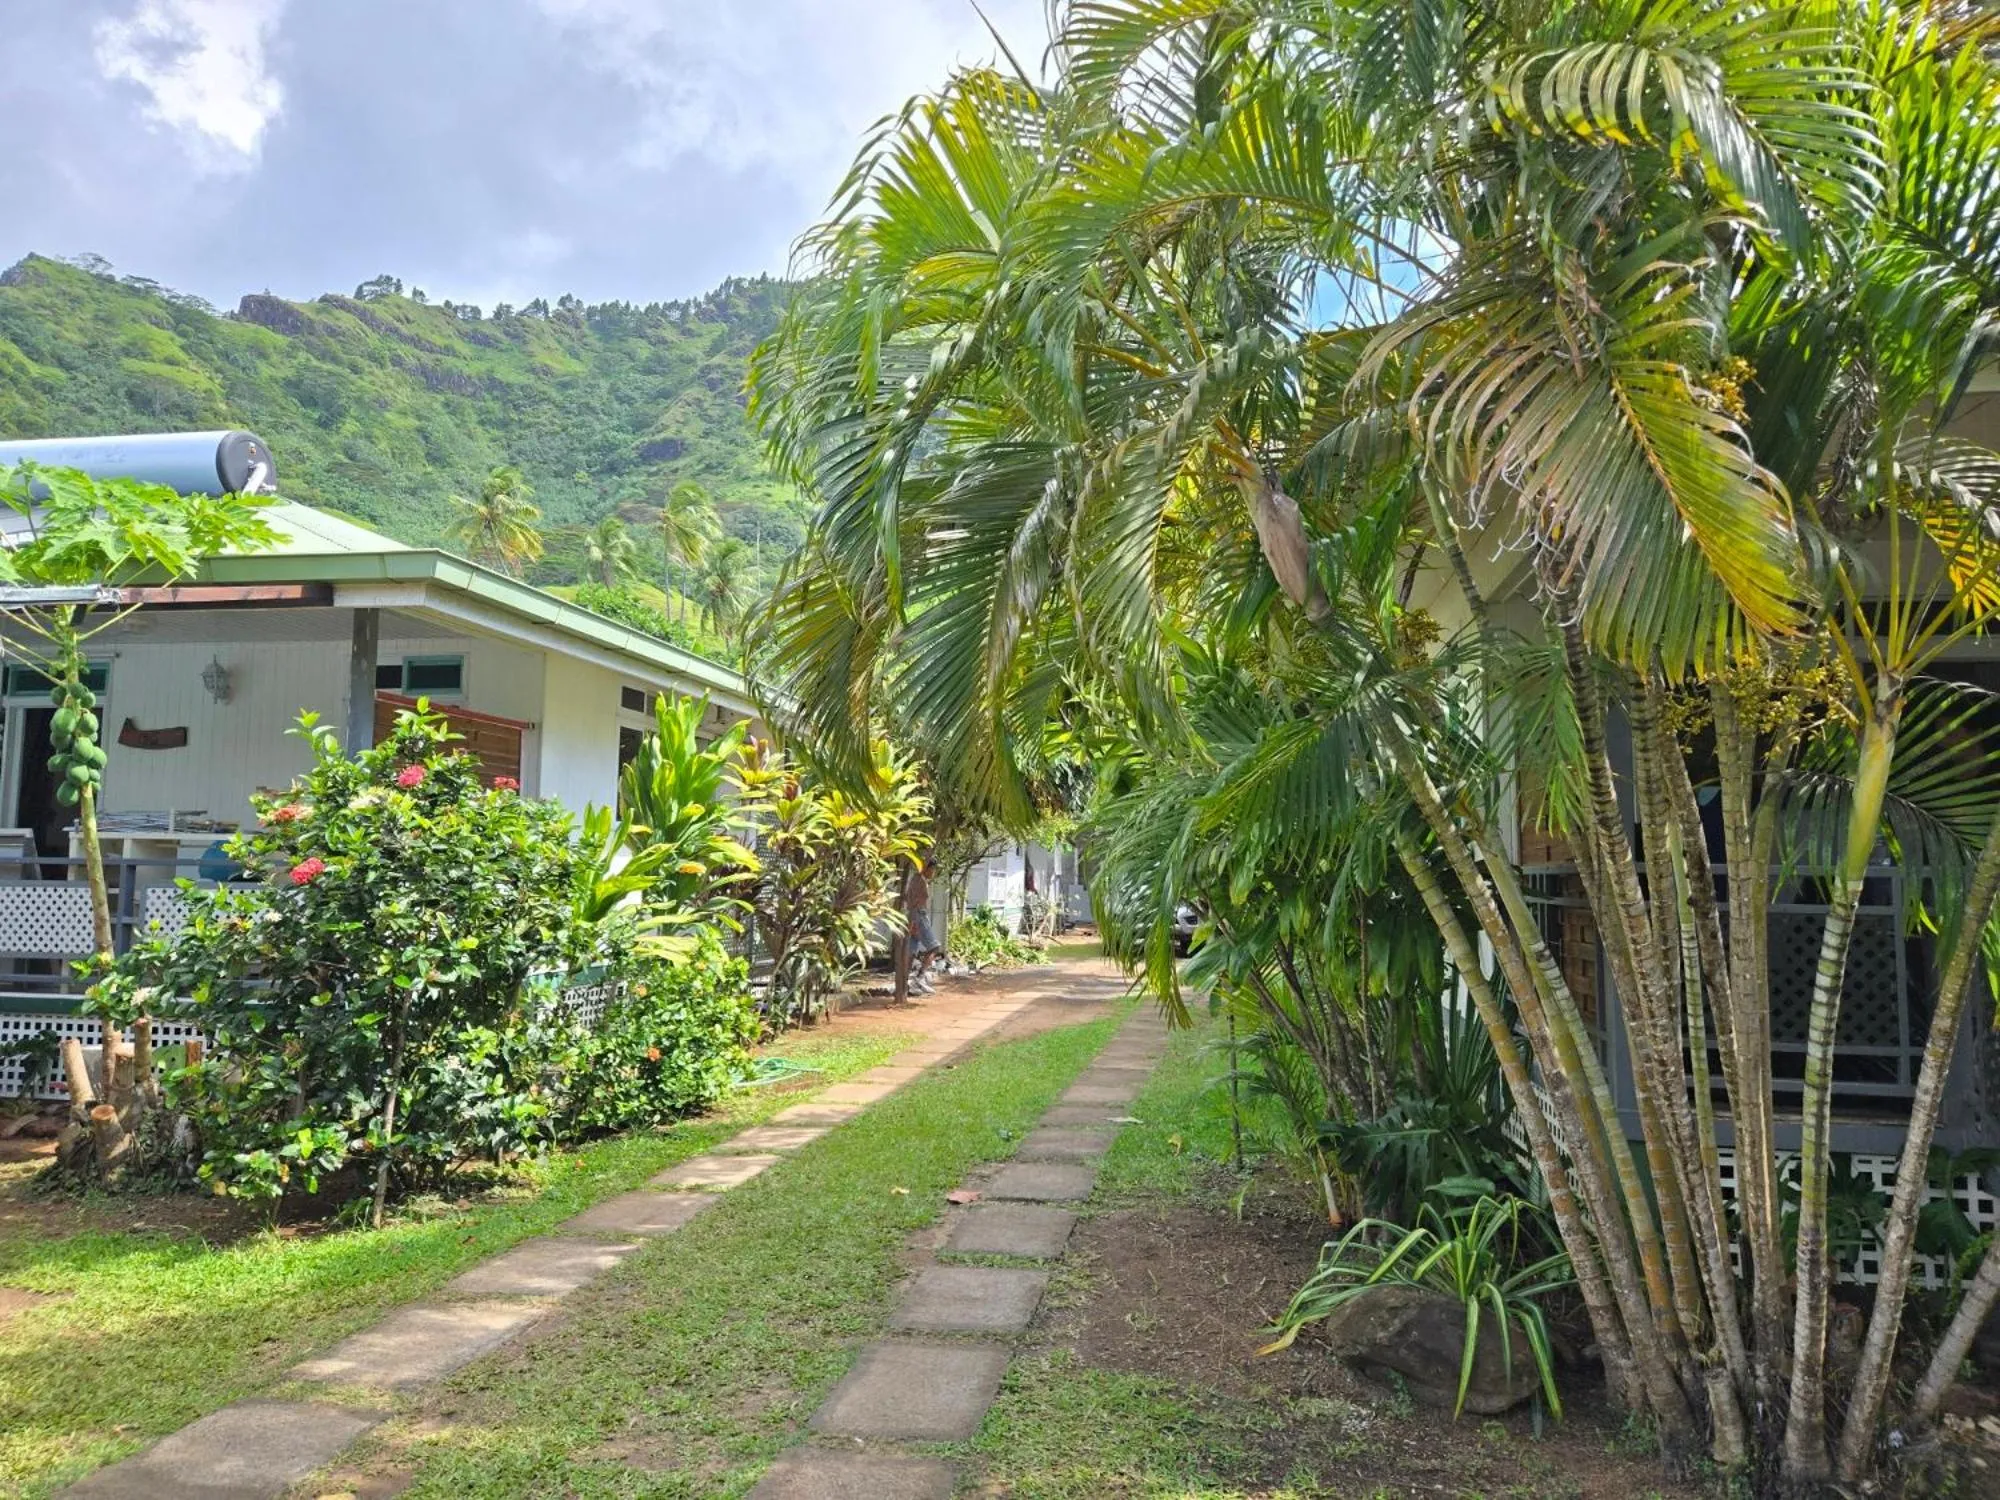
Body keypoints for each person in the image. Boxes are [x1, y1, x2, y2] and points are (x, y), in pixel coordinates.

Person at [906, 859, 942, 994]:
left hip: (913, 915)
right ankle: (919, 978)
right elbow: (913, 901)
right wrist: (914, 921)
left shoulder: (915, 880)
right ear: (926, 868)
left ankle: (906, 982)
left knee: (911, 951)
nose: (933, 873)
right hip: (918, 915)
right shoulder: (919, 881)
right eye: (932, 869)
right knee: (934, 947)